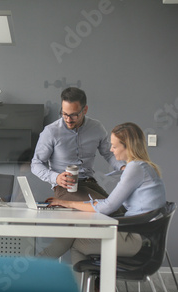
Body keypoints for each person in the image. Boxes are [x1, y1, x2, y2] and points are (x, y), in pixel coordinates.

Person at [45, 122, 167, 292]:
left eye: (114, 145)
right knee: (78, 237)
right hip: (141, 237)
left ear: (127, 146)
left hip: (138, 241)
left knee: (76, 243)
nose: (110, 149)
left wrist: (66, 203)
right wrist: (74, 204)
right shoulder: (143, 167)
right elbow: (108, 204)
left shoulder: (135, 168)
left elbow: (108, 206)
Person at [31, 87, 126, 259]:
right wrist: (55, 177)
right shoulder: (51, 132)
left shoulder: (96, 128)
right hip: (65, 188)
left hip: (89, 184)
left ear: (85, 110)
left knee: (119, 213)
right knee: (108, 212)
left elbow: (109, 154)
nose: (68, 119)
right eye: (64, 114)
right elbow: (36, 164)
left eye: (73, 114)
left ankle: (88, 272)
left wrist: (123, 167)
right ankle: (93, 277)